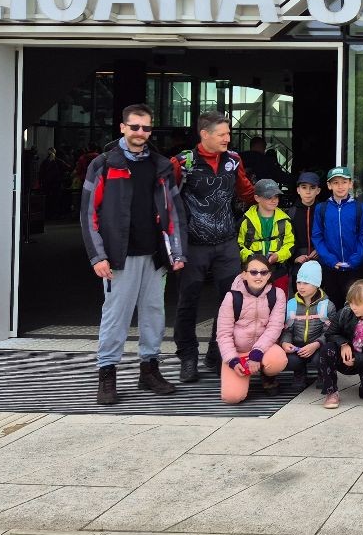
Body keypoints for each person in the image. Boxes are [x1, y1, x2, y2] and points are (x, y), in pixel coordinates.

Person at [80, 103, 184, 406]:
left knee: (154, 316)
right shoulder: (103, 164)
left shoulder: (161, 165)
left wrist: (177, 252)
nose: (140, 132)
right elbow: (88, 214)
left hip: (154, 256)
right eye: (135, 126)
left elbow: (174, 212)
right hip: (118, 258)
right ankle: (107, 374)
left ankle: (149, 371)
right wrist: (97, 256)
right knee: (115, 317)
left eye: (146, 127)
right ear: (123, 127)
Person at [172, 110, 256, 382]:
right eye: (222, 134)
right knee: (188, 301)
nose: (227, 138)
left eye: (228, 133)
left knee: (231, 301)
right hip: (193, 245)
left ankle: (217, 352)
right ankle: (187, 357)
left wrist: (267, 201)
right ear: (204, 134)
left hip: (226, 242)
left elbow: (246, 191)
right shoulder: (182, 162)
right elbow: (165, 199)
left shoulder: (233, 160)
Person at [215, 255, 290, 404]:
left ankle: (267, 376)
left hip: (264, 349)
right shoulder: (232, 297)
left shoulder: (277, 294)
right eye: (253, 272)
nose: (258, 276)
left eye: (263, 272)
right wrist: (232, 359)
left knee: (278, 360)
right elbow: (223, 334)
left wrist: (257, 352)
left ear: (269, 275)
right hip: (238, 352)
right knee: (232, 398)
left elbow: (275, 327)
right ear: (244, 274)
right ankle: (241, 375)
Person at [316, 279, 363, 408]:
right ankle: (331, 391)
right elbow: (330, 334)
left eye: (357, 304)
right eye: (351, 303)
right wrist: (343, 344)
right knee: (327, 349)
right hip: (344, 357)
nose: (353, 307)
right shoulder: (345, 312)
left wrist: (358, 359)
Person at [313, 166, 363, 308]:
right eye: (335, 183)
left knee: (354, 305)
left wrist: (355, 260)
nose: (340, 186)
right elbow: (317, 236)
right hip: (331, 267)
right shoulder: (321, 208)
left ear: (350, 184)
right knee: (333, 304)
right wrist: (330, 259)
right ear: (329, 185)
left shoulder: (359, 207)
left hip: (354, 267)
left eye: (344, 182)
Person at [281, 259, 331, 396]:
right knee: (290, 360)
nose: (301, 287)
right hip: (297, 346)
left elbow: (329, 331)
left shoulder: (326, 305)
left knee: (322, 356)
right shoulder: (291, 304)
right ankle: (299, 373)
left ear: (316, 284)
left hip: (317, 346)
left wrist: (317, 344)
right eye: (299, 282)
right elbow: (287, 329)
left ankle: (322, 373)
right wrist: (285, 343)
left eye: (306, 283)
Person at [237, 179, 296, 294]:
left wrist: (278, 256)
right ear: (257, 198)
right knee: (252, 303)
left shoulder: (285, 220)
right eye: (269, 197)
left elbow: (290, 245)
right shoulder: (245, 221)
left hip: (278, 271)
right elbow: (238, 245)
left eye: (276, 196)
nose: (274, 200)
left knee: (278, 302)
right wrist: (251, 258)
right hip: (253, 273)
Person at [288, 171, 322, 268]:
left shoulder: (324, 211)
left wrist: (320, 249)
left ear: (318, 191)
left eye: (312, 188)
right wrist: (295, 257)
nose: (308, 192)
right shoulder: (291, 213)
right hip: (298, 263)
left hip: (321, 261)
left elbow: (331, 235)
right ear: (298, 190)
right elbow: (286, 239)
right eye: (304, 187)